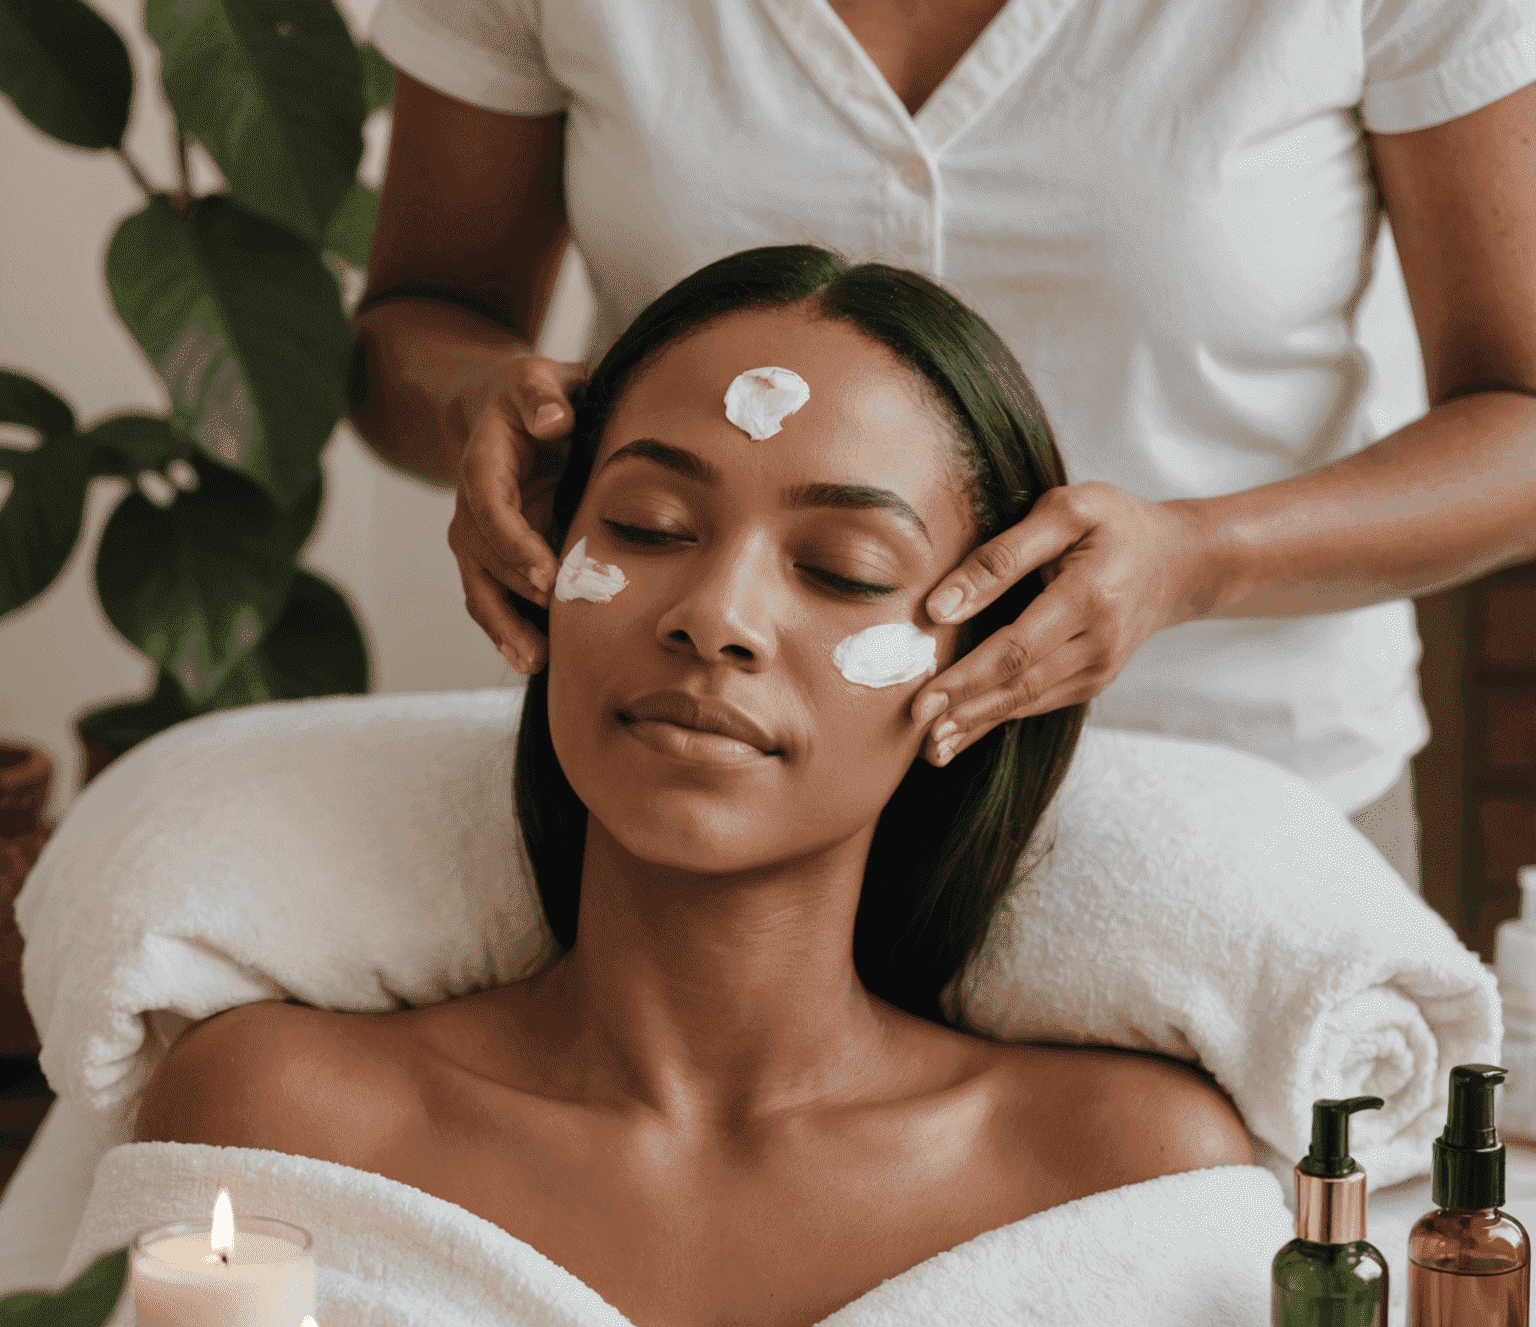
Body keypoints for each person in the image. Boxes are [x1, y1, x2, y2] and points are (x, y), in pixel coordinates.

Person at [135, 249, 1251, 1327]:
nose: (717, 615)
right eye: (650, 525)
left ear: (991, 664)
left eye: (844, 568)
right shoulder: (278, 1124)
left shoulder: (1121, 1170)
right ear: (539, 570)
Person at [349, 0, 1536, 897]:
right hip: (697, 812)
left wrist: (1197, 557)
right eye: (655, 528)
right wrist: (483, 410)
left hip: (1230, 812)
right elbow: (415, 323)